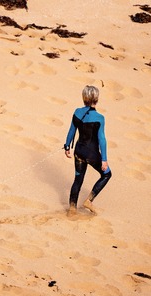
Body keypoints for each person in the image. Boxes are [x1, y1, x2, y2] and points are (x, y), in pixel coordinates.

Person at [64, 85, 112, 216]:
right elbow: (102, 139)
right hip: (91, 154)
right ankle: (89, 200)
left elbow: (71, 131)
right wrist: (104, 160)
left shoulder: (77, 112)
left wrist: (67, 146)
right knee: (107, 174)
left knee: (78, 179)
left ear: (84, 98)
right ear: (96, 99)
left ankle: (72, 208)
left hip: (78, 151)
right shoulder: (99, 118)